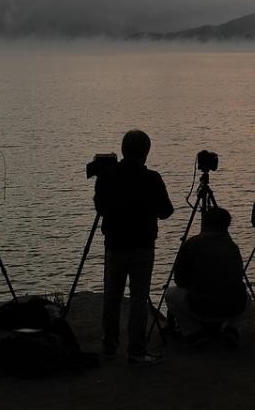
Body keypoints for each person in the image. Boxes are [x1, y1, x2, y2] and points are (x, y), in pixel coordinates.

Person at [93, 129, 174, 366]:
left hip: (115, 245)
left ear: (123, 149)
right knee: (139, 298)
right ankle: (136, 351)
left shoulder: (107, 176)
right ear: (146, 153)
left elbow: (100, 208)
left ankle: (109, 346)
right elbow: (166, 211)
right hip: (142, 246)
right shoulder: (152, 178)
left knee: (112, 296)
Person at [165, 207, 247, 347]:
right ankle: (232, 330)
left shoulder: (191, 244)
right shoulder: (232, 246)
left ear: (205, 223)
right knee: (245, 294)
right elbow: (238, 277)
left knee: (170, 293)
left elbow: (179, 280)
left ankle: (192, 332)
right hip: (232, 307)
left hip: (200, 307)